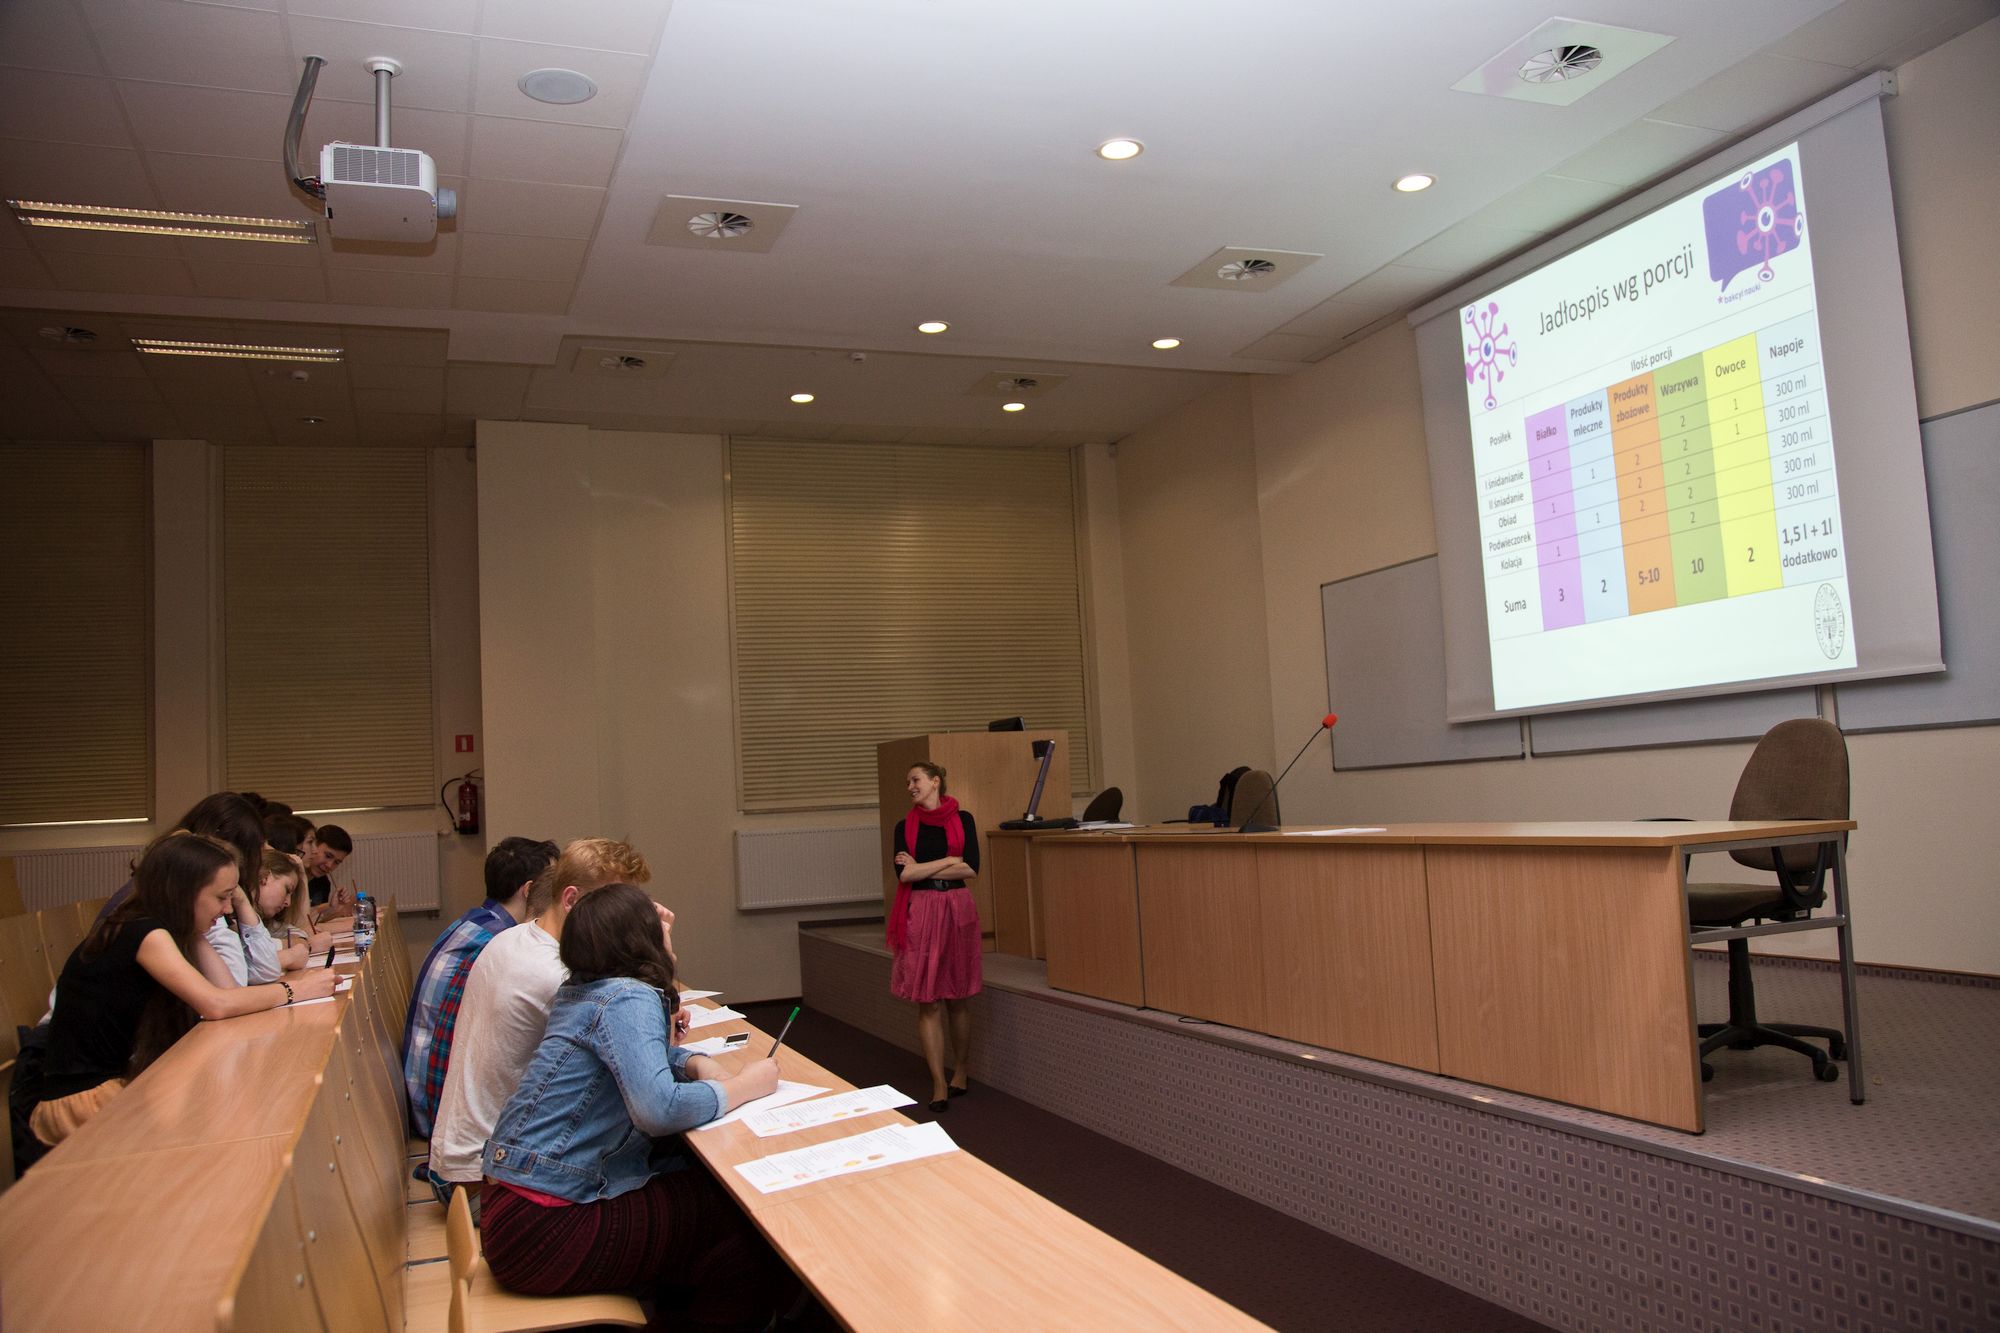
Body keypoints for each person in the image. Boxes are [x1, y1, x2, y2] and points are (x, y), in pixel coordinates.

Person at [481, 883, 787, 1333]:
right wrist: (743, 1086)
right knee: (742, 1221)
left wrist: (691, 1062)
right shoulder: (628, 995)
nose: (666, 931)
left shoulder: (582, 991)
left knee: (693, 1179)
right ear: (639, 941)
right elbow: (658, 1110)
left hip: (512, 1212)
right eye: (658, 927)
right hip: (547, 1228)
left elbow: (630, 1059)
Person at [21, 831, 340, 1150]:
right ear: (185, 892)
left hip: (118, 1086)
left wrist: (197, 931)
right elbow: (217, 1003)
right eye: (221, 897)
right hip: (85, 1102)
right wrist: (295, 990)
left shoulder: (174, 929)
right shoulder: (143, 931)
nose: (227, 909)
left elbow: (228, 988)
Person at [427, 837, 661, 1201]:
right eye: (614, 902)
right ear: (571, 900)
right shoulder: (555, 974)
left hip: (460, 1163)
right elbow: (649, 1066)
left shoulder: (514, 937)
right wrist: (662, 954)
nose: (626, 916)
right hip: (489, 1183)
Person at [402, 835, 559, 1138]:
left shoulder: (475, 922)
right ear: (529, 890)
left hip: (426, 1090)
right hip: (440, 1110)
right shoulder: (498, 944)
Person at [889, 760, 982, 1112]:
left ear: (935, 781)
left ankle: (961, 1070)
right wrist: (948, 860)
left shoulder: (964, 819)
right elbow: (904, 875)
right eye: (908, 782)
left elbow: (971, 868)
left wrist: (921, 867)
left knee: (958, 997)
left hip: (957, 908)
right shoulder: (904, 827)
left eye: (915, 780)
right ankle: (939, 1083)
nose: (910, 787)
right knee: (927, 1001)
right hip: (921, 911)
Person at [304, 823, 353, 916]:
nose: (329, 865)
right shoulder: (292, 878)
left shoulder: (323, 883)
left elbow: (314, 919)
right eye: (328, 856)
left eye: (337, 862)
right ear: (313, 846)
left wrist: (334, 907)